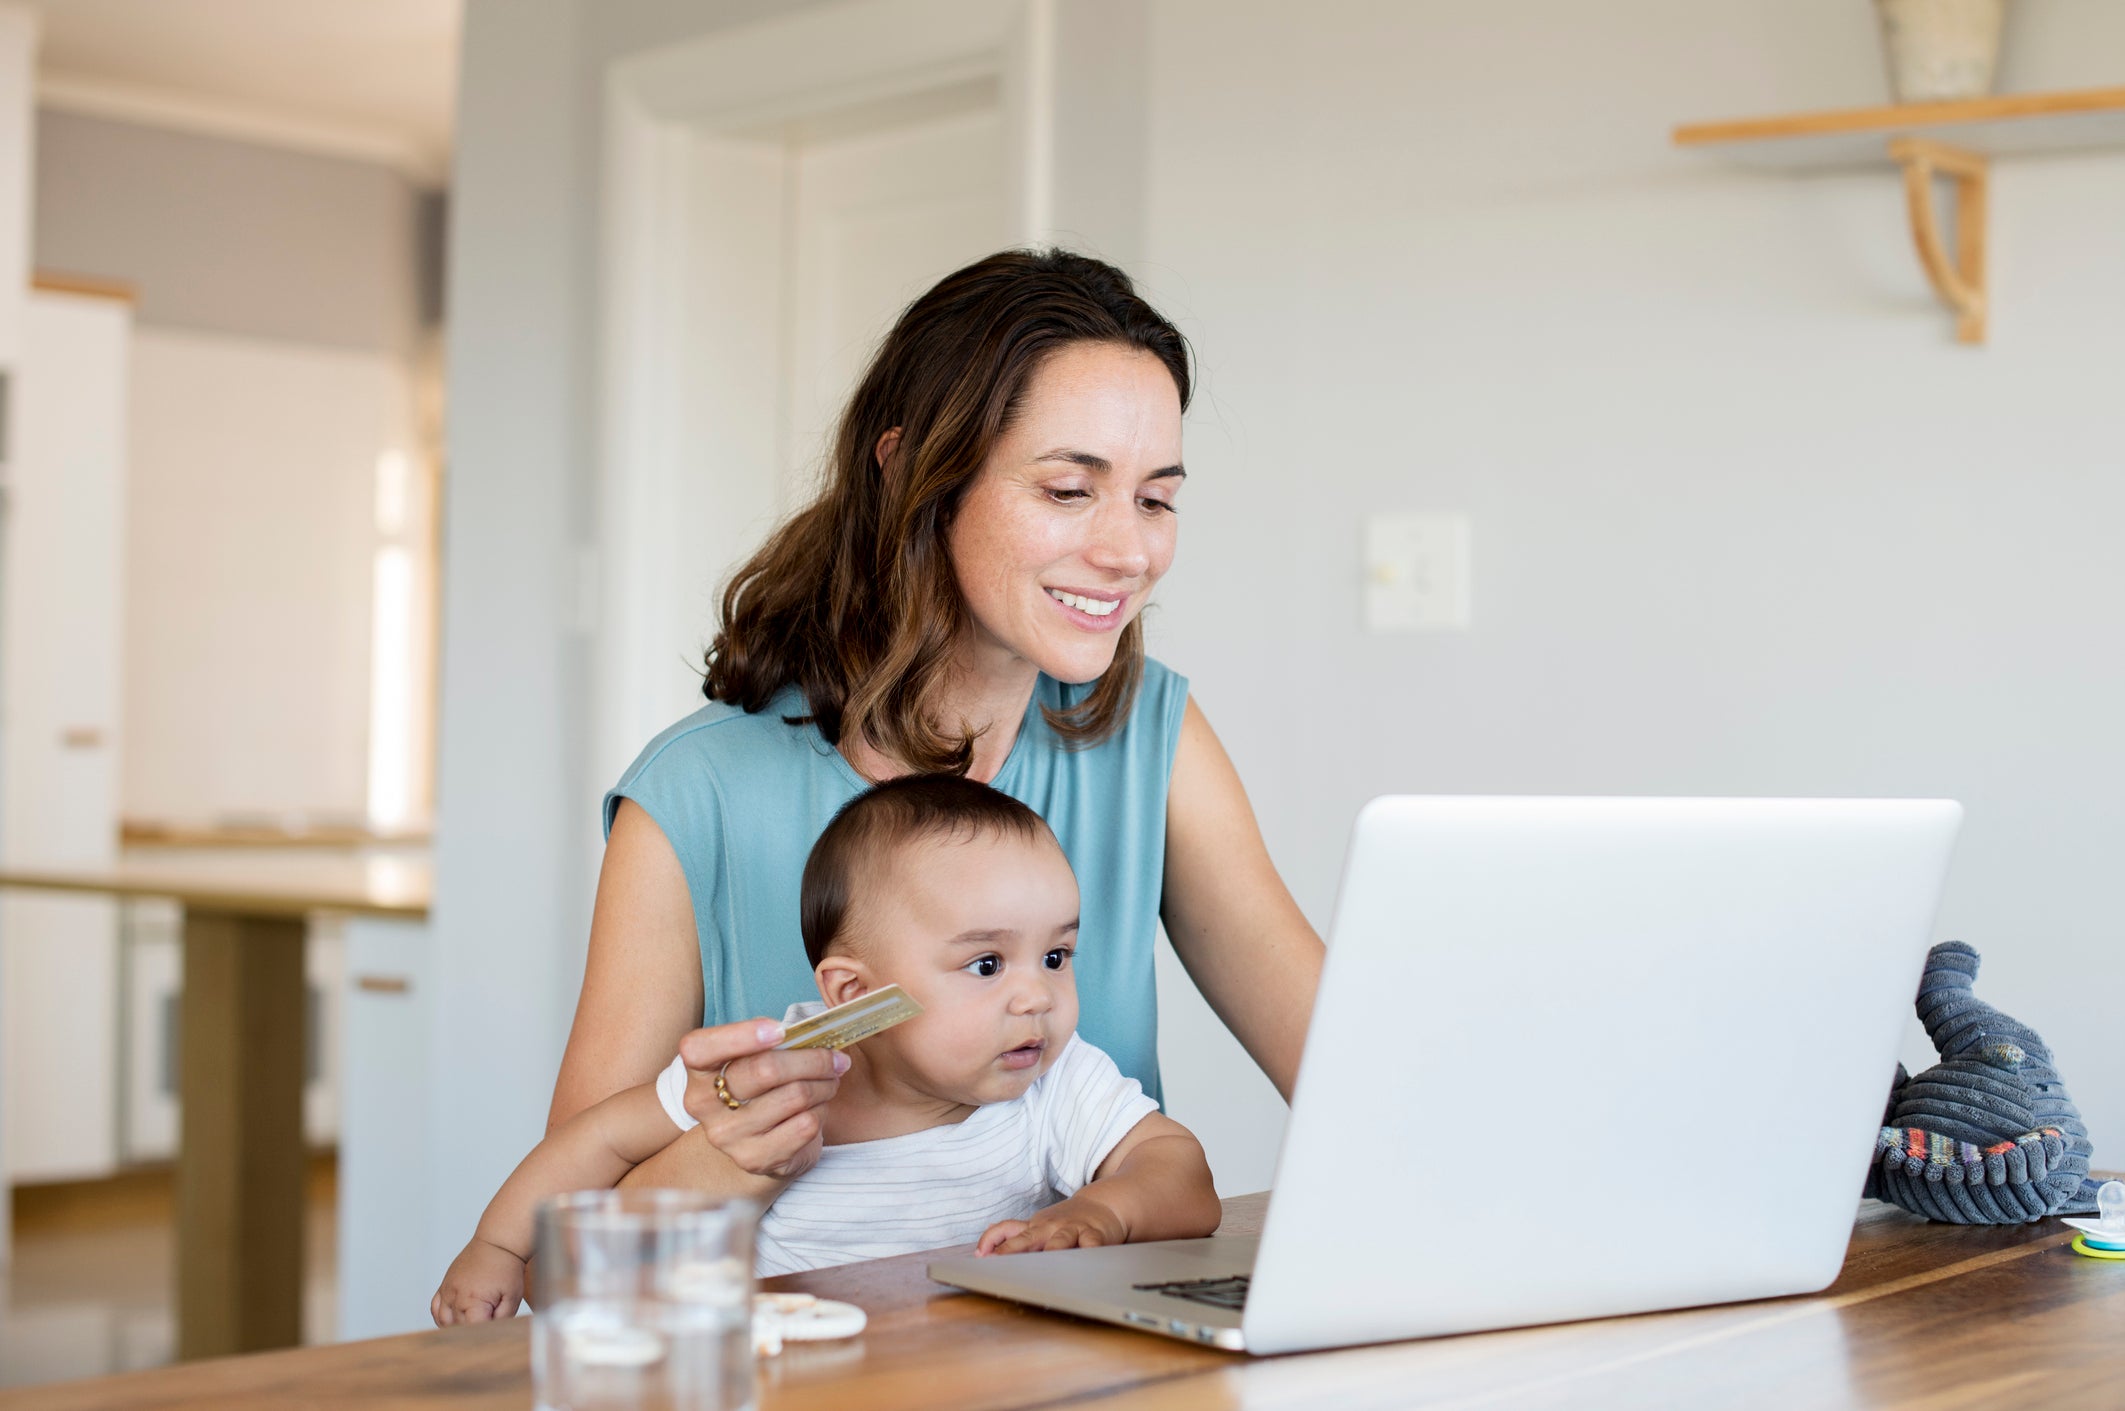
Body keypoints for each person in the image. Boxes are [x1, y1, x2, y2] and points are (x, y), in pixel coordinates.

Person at [550, 248, 1324, 1198]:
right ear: (913, 472)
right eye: (1067, 490)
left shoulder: (1147, 737)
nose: (1128, 550)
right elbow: (565, 1251)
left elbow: (1347, 1070)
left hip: (1086, 1340)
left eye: (1155, 498)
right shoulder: (694, 797)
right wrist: (734, 1139)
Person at [433, 776, 1221, 1323]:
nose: (1036, 996)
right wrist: (497, 1244)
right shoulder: (763, 1073)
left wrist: (1101, 1211)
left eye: (1056, 955)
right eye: (986, 963)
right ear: (852, 994)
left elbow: (1183, 1178)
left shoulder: (1052, 1079)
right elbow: (596, 1139)